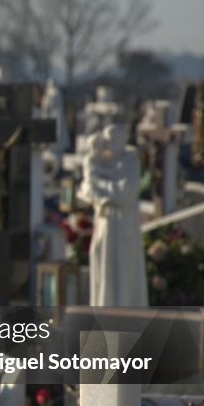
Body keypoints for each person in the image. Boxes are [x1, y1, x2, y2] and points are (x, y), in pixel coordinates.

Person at [79, 124, 149, 307]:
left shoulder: (130, 161)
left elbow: (125, 192)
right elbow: (86, 189)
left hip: (123, 226)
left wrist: (100, 188)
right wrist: (104, 190)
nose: (109, 145)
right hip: (104, 224)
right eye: (107, 140)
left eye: (113, 140)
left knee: (123, 274)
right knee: (104, 272)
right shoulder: (100, 161)